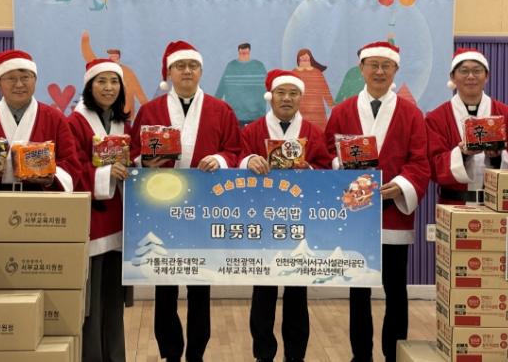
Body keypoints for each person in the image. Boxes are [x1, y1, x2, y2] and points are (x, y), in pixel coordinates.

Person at [130, 40, 241, 362]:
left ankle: (196, 353)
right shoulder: (150, 111)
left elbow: (235, 150)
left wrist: (219, 159)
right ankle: (170, 352)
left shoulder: (221, 110)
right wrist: (144, 161)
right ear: (170, 73)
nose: (187, 71)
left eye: (193, 66)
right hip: (160, 206)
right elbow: (134, 153)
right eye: (180, 66)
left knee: (200, 286)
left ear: (201, 71)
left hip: (204, 207)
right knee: (164, 285)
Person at [323, 41, 430, 362]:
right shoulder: (342, 111)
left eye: (386, 65)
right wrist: (343, 168)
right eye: (373, 65)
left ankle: (394, 355)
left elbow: (419, 160)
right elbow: (327, 153)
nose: (379, 71)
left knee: (396, 290)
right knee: (358, 291)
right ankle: (361, 356)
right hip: (356, 212)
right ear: (361, 69)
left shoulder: (411, 114)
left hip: (393, 212)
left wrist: (401, 186)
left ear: (396, 69)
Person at [239, 69, 331, 362]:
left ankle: (295, 355)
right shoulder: (253, 131)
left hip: (299, 221)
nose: (287, 98)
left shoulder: (313, 133)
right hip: (262, 219)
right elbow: (238, 159)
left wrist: (310, 170)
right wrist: (249, 160)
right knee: (263, 292)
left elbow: (326, 169)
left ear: (301, 98)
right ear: (271, 96)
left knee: (297, 292)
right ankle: (263, 354)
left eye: (293, 93)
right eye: (281, 93)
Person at [67, 59, 130, 362]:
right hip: (91, 219)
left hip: (120, 220)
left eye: (114, 82)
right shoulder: (75, 123)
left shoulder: (123, 124)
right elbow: (72, 169)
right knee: (90, 302)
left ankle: (115, 356)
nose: (108, 88)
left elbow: (136, 158)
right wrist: (106, 174)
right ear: (89, 86)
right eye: (101, 81)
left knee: (114, 300)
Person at [0, 49, 80, 191]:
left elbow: (71, 163)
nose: (19, 84)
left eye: (25, 77)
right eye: (11, 78)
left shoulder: (55, 119)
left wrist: (51, 177)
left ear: (35, 80)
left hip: (42, 200)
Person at [425, 48, 508, 204]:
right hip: (454, 203)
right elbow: (431, 164)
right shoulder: (436, 118)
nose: (471, 76)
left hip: (498, 204)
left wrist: (498, 156)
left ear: (487, 76)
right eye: (464, 71)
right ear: (452, 77)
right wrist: (462, 154)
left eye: (477, 71)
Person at [214, 42, 267, 126]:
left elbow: (268, 88)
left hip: (257, 116)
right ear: (238, 53)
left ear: (249, 53)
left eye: (246, 53)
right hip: (235, 116)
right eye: (241, 53)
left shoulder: (259, 66)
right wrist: (214, 107)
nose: (243, 56)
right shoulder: (231, 66)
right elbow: (221, 88)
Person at [292, 48, 334, 130]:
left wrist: (331, 105)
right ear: (298, 59)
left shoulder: (317, 73)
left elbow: (325, 90)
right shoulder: (294, 73)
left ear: (310, 59)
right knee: (301, 130)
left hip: (317, 110)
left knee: (318, 131)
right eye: (302, 58)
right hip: (300, 109)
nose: (304, 59)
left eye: (306, 58)